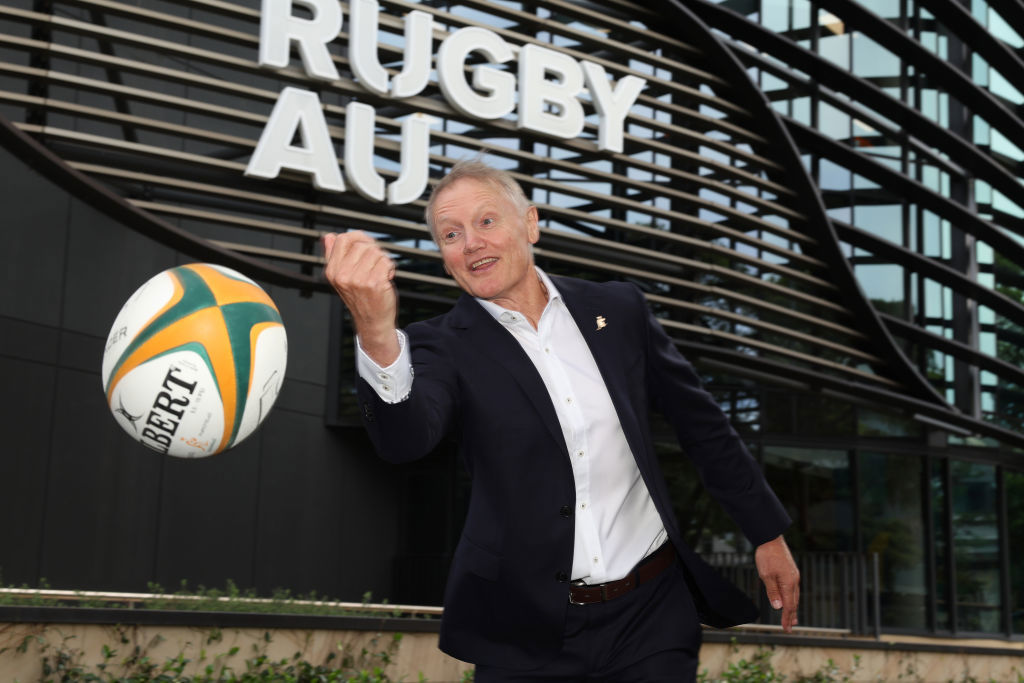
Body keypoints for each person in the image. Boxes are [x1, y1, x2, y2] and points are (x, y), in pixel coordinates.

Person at [323, 159, 799, 681]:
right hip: (524, 626)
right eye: (451, 234)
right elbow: (405, 441)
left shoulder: (618, 310)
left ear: (530, 224)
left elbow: (703, 427)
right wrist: (375, 332)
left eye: (487, 221)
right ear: (444, 258)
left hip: (652, 615)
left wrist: (766, 533)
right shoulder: (439, 344)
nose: (472, 243)